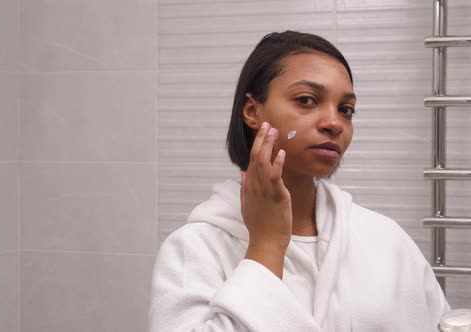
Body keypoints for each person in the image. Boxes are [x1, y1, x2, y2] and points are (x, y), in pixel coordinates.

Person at [148, 31, 450, 332]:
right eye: (306, 100)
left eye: (346, 110)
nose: (334, 123)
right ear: (252, 111)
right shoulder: (197, 249)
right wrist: (266, 246)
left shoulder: (386, 241)